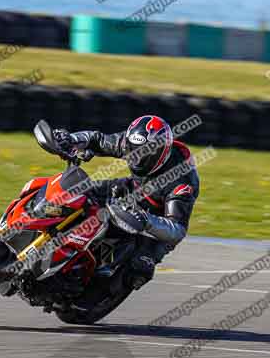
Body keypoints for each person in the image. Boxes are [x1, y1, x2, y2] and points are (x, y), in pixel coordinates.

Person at [52, 115, 200, 290]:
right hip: (133, 190)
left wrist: (147, 221)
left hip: (158, 222)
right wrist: (71, 139)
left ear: (160, 152)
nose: (136, 157)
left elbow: (177, 230)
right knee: (81, 192)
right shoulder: (134, 143)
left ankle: (102, 286)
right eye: (133, 151)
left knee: (139, 267)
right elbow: (96, 139)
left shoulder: (182, 180)